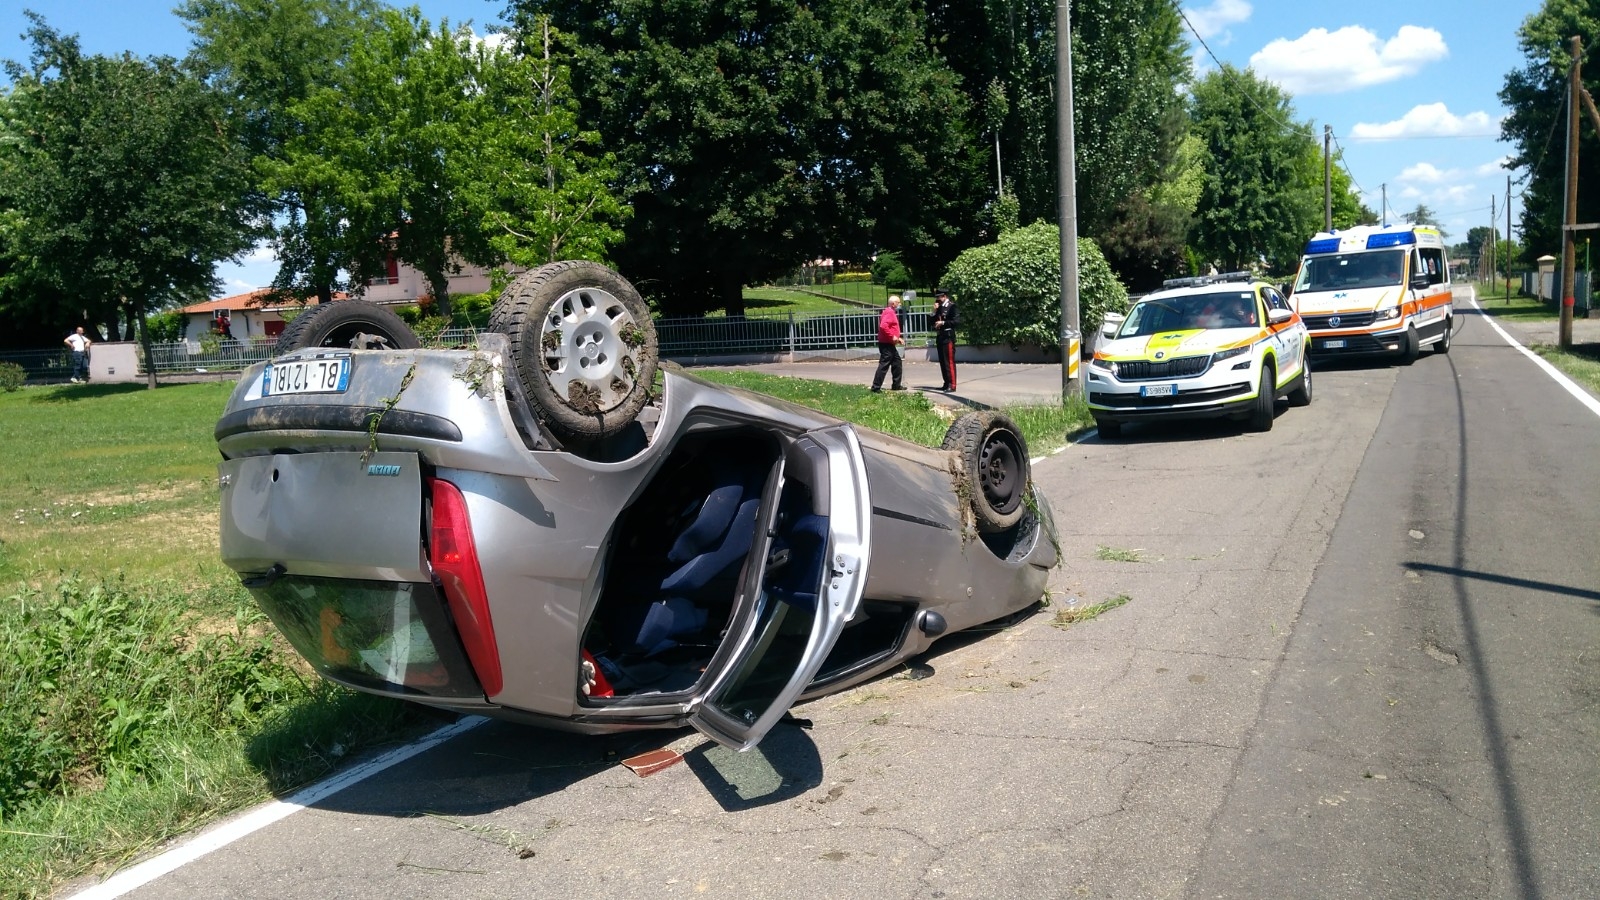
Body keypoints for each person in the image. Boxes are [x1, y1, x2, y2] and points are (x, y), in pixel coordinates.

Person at [870, 294, 905, 392]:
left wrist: (897, 338)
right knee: (884, 364)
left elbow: (889, 327)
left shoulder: (889, 312)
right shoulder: (889, 312)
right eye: (898, 302)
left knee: (897, 363)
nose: (900, 304)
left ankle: (896, 385)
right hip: (886, 343)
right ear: (893, 304)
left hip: (889, 343)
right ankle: (876, 387)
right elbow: (883, 326)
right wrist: (892, 336)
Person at [932, 289, 959, 391]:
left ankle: (952, 384)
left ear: (944, 296)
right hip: (940, 336)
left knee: (949, 361)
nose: (937, 300)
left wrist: (943, 323)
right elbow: (932, 321)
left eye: (939, 297)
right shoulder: (939, 307)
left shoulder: (952, 306)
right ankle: (946, 383)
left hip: (948, 336)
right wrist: (934, 311)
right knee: (942, 361)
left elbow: (956, 321)